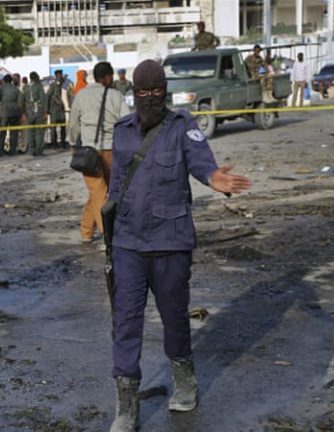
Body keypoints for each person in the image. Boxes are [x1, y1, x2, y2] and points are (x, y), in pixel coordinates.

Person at [106, 60, 251, 431]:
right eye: (143, 93)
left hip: (171, 242)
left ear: (165, 91)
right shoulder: (121, 131)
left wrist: (213, 177)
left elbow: (201, 160)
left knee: (175, 319)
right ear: (134, 94)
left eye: (157, 91)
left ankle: (184, 381)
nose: (150, 98)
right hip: (127, 245)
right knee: (125, 323)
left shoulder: (182, 126)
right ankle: (126, 406)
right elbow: (117, 186)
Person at [69, 62, 130, 244]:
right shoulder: (116, 96)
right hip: (113, 151)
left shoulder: (81, 95)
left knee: (97, 193)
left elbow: (73, 123)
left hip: (90, 152)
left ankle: (92, 233)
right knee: (102, 193)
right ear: (109, 77)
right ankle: (103, 234)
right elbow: (126, 121)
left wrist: (73, 143)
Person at [0, 74, 20, 157]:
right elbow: (19, 99)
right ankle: (12, 150)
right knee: (14, 132)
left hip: (4, 112)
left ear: (4, 81)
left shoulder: (1, 88)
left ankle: (0, 151)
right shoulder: (16, 89)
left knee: (2, 132)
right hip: (15, 111)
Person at [23, 72, 47, 156]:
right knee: (39, 131)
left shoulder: (25, 87)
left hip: (28, 111)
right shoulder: (39, 86)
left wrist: (24, 113)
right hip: (38, 110)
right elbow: (43, 99)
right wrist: (45, 112)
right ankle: (39, 150)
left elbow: (23, 100)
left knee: (30, 131)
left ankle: (31, 150)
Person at [47, 69, 68, 148]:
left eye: (61, 75)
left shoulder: (62, 84)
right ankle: (54, 143)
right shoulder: (53, 85)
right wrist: (48, 109)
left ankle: (63, 142)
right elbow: (48, 95)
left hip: (61, 109)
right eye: (59, 75)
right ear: (56, 76)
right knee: (53, 127)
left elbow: (62, 82)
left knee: (63, 126)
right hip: (54, 109)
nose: (61, 76)